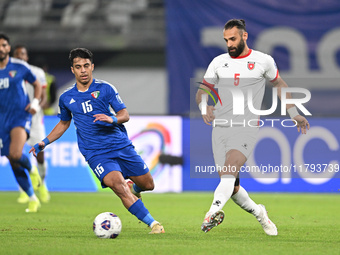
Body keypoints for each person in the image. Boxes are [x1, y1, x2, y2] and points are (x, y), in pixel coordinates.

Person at [29, 48, 165, 234]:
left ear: (92, 67)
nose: (83, 70)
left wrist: (112, 119)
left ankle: (135, 187)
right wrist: (44, 142)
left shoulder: (105, 88)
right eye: (78, 67)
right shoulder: (66, 98)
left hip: (120, 144)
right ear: (72, 70)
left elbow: (124, 114)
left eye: (86, 66)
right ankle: (154, 224)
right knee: (119, 187)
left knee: (148, 184)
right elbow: (63, 123)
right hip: (95, 153)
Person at [196, 19, 310, 235]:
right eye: (226, 40)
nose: (229, 44)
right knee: (232, 187)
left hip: (246, 127)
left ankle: (211, 213)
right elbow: (202, 90)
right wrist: (204, 106)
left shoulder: (263, 61)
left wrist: (294, 112)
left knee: (230, 171)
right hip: (220, 128)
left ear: (244, 36)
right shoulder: (218, 62)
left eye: (233, 39)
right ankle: (260, 214)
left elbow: (279, 85)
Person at [0, 33, 42, 213]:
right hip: (1, 120)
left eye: (3, 45)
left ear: (8, 48)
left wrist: (35, 102)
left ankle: (32, 169)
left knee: (16, 154)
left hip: (19, 116)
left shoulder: (19, 66)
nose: (1, 49)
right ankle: (33, 199)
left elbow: (37, 84)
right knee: (13, 160)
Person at [13, 45, 51, 203]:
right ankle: (24, 190)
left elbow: (44, 99)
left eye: (23, 54)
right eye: (17, 55)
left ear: (27, 57)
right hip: (16, 120)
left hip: (35, 122)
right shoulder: (8, 73)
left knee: (40, 155)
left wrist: (35, 107)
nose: (20, 57)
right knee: (16, 155)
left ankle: (41, 184)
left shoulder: (37, 72)